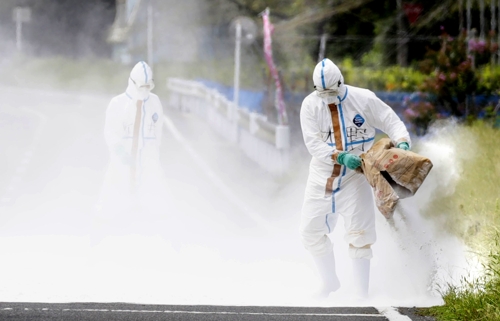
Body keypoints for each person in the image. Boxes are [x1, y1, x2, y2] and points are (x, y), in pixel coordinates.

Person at [299, 58, 411, 299]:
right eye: (323, 93)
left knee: (360, 233)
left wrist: (402, 141)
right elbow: (313, 143)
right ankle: (329, 281)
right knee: (310, 231)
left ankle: (362, 294)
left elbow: (390, 120)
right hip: (322, 177)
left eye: (332, 91)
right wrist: (339, 157)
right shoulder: (310, 106)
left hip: (355, 177)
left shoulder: (363, 99)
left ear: (341, 82)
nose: (328, 96)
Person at [95, 61, 164, 233]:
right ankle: (103, 235)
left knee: (152, 201)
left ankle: (150, 235)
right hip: (122, 161)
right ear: (132, 83)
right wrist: (119, 151)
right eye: (142, 87)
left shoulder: (155, 103)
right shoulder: (117, 104)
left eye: (148, 87)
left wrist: (153, 156)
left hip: (147, 163)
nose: (145, 91)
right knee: (112, 200)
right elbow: (109, 131)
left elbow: (158, 131)